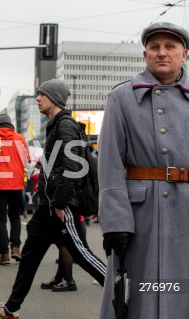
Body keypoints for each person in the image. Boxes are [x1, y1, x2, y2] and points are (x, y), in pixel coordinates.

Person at [0, 79, 106, 319]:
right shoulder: (55, 124)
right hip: (47, 207)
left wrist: (59, 203)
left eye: (42, 95)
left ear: (54, 98)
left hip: (60, 205)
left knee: (83, 255)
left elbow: (71, 167)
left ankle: (123, 290)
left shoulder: (65, 125)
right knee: (28, 256)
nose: (37, 98)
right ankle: (11, 308)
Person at [98, 22, 189, 319]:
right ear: (145, 54)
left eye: (170, 47)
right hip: (140, 216)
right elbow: (110, 164)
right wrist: (115, 223)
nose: (162, 53)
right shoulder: (122, 98)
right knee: (143, 294)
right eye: (155, 47)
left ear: (184, 54)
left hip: (185, 211)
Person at [0, 113, 29, 265]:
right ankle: (16, 249)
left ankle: (4, 255)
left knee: (0, 220)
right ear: (10, 124)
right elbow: (26, 160)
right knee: (15, 217)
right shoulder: (19, 138)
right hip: (16, 184)